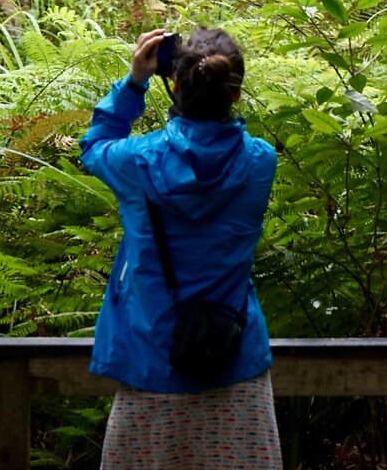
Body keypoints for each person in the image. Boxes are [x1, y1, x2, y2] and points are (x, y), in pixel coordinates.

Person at [79, 26, 282, 470]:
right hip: (235, 360)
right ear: (235, 92)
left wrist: (134, 82)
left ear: (174, 83)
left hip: (152, 360)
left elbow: (93, 147)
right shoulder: (261, 161)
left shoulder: (136, 162)